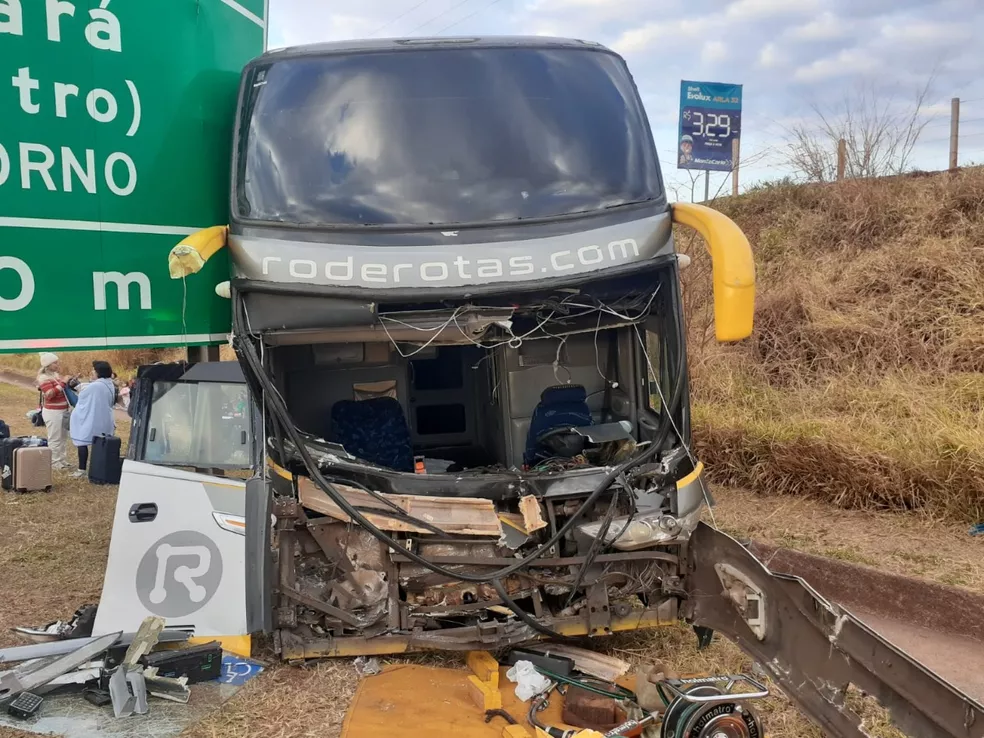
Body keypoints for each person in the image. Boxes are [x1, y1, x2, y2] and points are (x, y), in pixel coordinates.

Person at [69, 360, 117, 478]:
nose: (92, 372)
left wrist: (72, 385)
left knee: (82, 440)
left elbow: (82, 394)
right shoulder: (109, 383)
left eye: (94, 370)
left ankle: (82, 470)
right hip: (103, 417)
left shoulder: (97, 385)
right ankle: (102, 467)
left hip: (91, 417)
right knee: (101, 443)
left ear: (98, 372)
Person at [36, 353, 77, 470]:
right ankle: (54, 462)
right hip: (53, 412)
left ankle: (62, 460)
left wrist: (69, 382)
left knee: (63, 437)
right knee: (55, 438)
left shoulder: (55, 375)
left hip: (63, 410)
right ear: (47, 365)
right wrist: (63, 382)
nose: (57, 365)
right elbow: (49, 395)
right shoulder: (43, 378)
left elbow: (61, 388)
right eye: (55, 363)